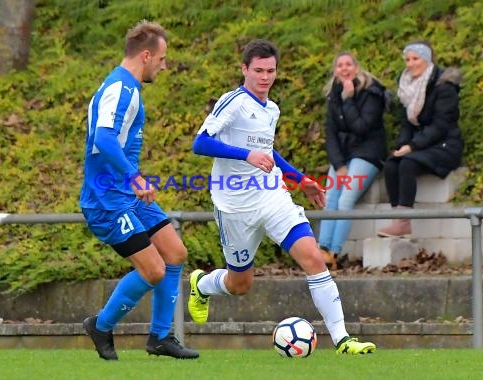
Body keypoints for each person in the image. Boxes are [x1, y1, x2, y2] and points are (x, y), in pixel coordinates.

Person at [188, 39, 376, 355]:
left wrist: (301, 180)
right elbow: (200, 143)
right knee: (240, 285)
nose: (265, 77)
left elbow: (268, 151)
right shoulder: (232, 102)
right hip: (234, 206)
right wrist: (246, 154)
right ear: (244, 69)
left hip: (272, 196)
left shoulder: (271, 109)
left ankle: (343, 340)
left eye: (271, 71)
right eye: (258, 70)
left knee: (314, 258)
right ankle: (202, 285)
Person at [79, 20, 199, 360]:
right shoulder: (121, 89)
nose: (164, 66)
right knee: (153, 270)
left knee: (175, 252)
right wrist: (135, 177)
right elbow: (103, 138)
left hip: (125, 194)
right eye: (161, 59)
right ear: (146, 55)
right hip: (108, 200)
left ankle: (160, 338)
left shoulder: (126, 87)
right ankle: (101, 326)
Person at [377, 41, 463, 237]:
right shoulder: (407, 86)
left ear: (427, 60)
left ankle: (403, 222)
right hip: (420, 145)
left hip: (445, 144)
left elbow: (441, 125)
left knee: (407, 164)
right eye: (407, 59)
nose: (410, 64)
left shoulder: (444, 87)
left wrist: (413, 146)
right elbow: (407, 123)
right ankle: (397, 219)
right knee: (392, 164)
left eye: (415, 59)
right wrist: (402, 145)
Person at [318, 52, 388, 269]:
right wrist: (338, 165)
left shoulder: (372, 92)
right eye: (340, 65)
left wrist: (349, 101)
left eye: (349, 64)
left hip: (367, 153)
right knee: (330, 199)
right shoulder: (334, 95)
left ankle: (334, 252)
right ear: (335, 70)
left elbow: (362, 127)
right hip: (344, 156)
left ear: (356, 68)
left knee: (345, 200)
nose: (344, 68)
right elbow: (330, 134)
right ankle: (321, 250)